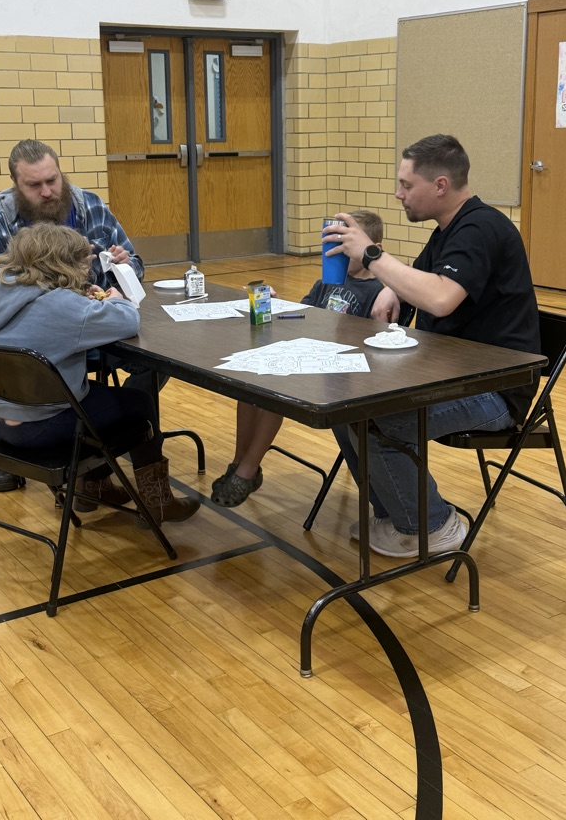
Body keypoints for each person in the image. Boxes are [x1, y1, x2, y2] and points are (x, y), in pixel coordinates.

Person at [323, 134, 541, 559]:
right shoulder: (448, 230)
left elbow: (440, 297)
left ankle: (432, 527)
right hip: (452, 373)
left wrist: (371, 256)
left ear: (440, 186)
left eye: (406, 185)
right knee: (345, 405)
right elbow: (418, 283)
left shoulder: (480, 228)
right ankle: (396, 516)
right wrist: (393, 289)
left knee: (380, 420)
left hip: (495, 390)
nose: (398, 194)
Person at [0, 223, 199, 525]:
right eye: (84, 258)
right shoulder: (64, 306)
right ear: (63, 262)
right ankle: (158, 501)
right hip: (42, 427)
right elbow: (127, 321)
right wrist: (116, 298)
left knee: (94, 394)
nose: (90, 262)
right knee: (138, 403)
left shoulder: (1, 289)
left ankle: (95, 487)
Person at [0, 138, 153, 492]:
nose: (48, 191)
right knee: (136, 405)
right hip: (58, 345)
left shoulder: (90, 207)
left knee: (148, 367)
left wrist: (124, 267)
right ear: (16, 185)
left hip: (79, 336)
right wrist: (70, 301)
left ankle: (93, 475)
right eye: (34, 185)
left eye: (53, 180)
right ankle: (139, 486)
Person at [211, 210, 385, 508]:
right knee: (249, 381)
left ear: (372, 250)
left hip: (341, 372)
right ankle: (240, 461)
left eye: (345, 249)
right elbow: (302, 316)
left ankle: (248, 469)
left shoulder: (378, 291)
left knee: (273, 391)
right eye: (334, 248)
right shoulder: (326, 282)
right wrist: (277, 304)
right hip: (309, 353)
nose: (337, 255)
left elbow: (374, 345)